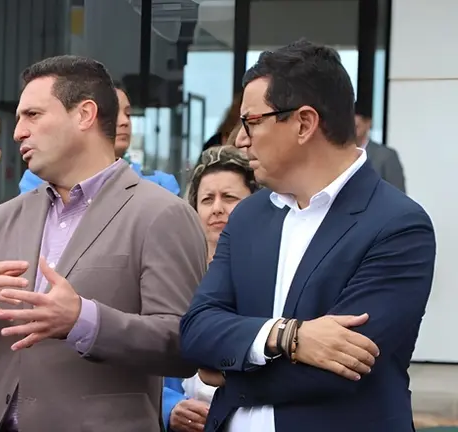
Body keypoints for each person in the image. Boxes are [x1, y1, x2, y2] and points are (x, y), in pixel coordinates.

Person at [0, 55, 206, 432]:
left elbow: (184, 345)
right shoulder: (1, 219)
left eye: (33, 115)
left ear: (85, 114)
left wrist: (82, 320)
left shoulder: (160, 213)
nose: (18, 132)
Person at [179, 40, 436, 432]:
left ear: (303, 123)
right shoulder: (250, 215)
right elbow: (196, 331)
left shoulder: (397, 224)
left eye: (252, 122)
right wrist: (287, 336)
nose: (240, 139)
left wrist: (227, 371)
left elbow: (341, 370)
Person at [164, 145, 260, 432]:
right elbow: (145, 359)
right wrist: (170, 407)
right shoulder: (171, 276)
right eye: (207, 199)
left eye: (229, 197)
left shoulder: (272, 275)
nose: (217, 207)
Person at [18, 82, 180, 195]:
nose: (124, 122)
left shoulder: (161, 184)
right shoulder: (39, 181)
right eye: (114, 113)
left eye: (129, 114)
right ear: (85, 115)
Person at [354, 101, 406, 192]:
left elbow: (398, 193)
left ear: (368, 123)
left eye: (356, 127)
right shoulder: (340, 154)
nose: (352, 131)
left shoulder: (386, 156)